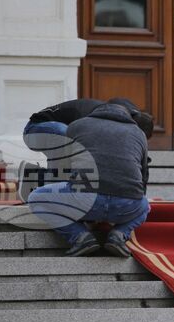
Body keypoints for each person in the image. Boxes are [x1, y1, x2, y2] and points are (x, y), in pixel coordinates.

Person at [27, 102, 151, 258]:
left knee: (36, 198)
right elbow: (144, 174)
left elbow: (65, 166)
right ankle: (119, 235)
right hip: (126, 206)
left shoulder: (77, 125)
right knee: (145, 205)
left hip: (85, 200)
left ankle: (80, 237)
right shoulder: (138, 133)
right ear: (128, 115)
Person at [19, 97, 153, 202]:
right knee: (67, 136)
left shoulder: (120, 119)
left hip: (64, 134)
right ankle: (51, 194)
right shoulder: (94, 117)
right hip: (35, 130)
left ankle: (35, 176)